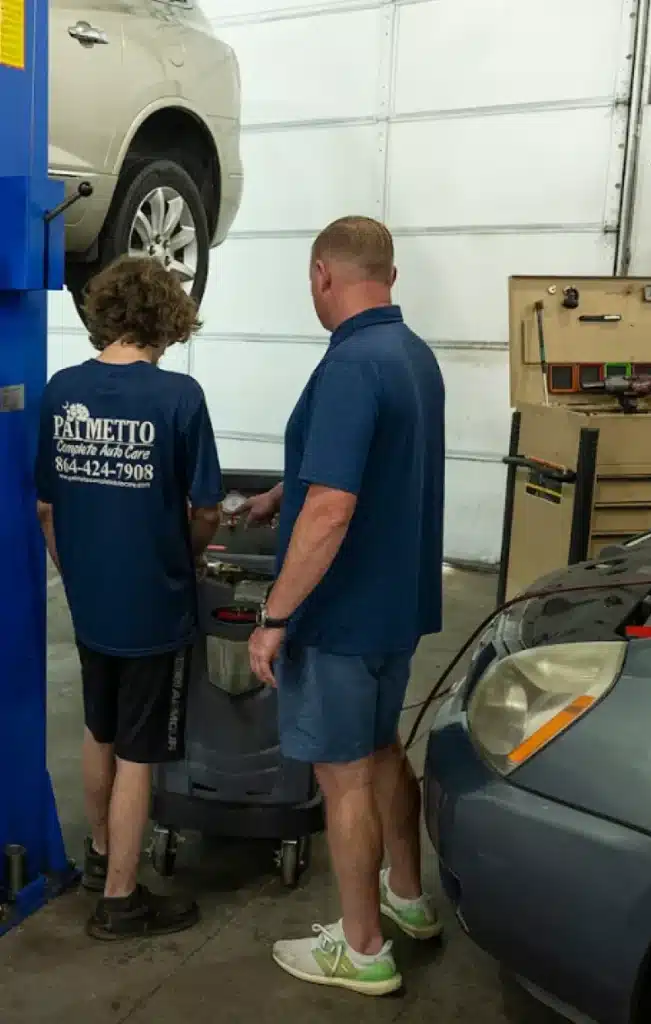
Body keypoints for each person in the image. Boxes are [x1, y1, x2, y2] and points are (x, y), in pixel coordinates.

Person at [243, 215, 445, 995]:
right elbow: (365, 469)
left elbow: (331, 508)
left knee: (343, 779)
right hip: (396, 606)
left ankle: (361, 950)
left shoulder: (348, 366)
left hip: (339, 616)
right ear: (387, 275)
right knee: (383, 749)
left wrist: (276, 616)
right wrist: (276, 494)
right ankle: (406, 898)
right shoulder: (411, 356)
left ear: (322, 274)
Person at [35, 256, 224, 940]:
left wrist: (76, 569)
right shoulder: (178, 399)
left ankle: (98, 856)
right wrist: (185, 555)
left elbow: (48, 507)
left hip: (91, 603)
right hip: (154, 604)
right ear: (168, 319)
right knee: (141, 752)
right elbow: (206, 508)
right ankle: (119, 899)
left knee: (100, 729)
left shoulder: (60, 390)